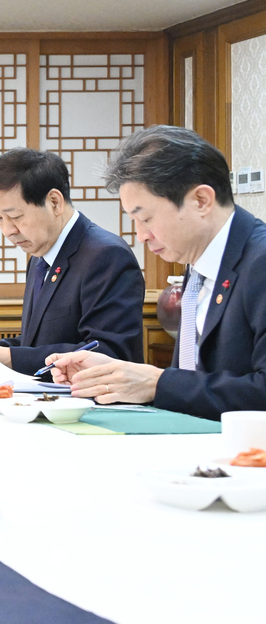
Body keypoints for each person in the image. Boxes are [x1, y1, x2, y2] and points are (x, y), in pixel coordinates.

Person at [49, 126, 266, 419]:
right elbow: (199, 378)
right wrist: (116, 374)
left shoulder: (259, 262)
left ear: (201, 200)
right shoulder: (198, 267)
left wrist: (157, 383)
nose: (141, 235)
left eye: (147, 218)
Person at [0, 149, 144, 371]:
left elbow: (108, 352)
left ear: (54, 202)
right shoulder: (40, 257)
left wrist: (7, 356)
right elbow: (33, 344)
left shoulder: (106, 255)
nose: (7, 230)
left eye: (16, 217)